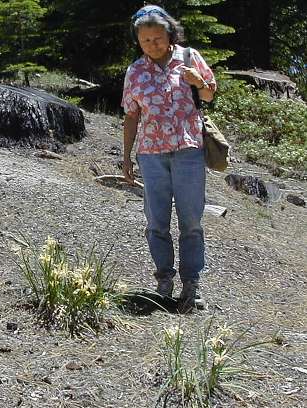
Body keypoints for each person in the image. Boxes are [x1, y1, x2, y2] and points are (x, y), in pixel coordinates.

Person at [121, 5, 216, 312]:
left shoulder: (189, 58)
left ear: (170, 34)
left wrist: (197, 82)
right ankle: (164, 281)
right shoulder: (135, 71)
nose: (152, 44)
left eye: (157, 38)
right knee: (156, 222)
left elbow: (209, 95)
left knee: (191, 221)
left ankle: (192, 284)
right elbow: (131, 116)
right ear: (139, 41)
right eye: (145, 40)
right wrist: (126, 158)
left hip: (188, 150)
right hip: (151, 155)